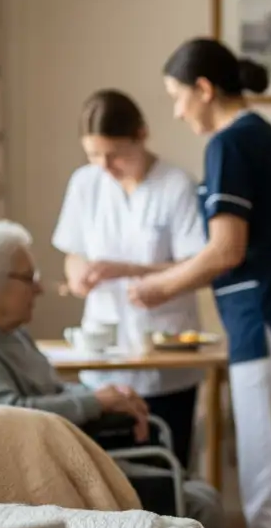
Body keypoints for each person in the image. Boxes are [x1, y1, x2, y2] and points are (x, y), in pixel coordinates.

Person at [128, 38, 271, 528]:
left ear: (204, 89)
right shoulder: (264, 136)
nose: (176, 110)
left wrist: (158, 286)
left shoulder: (230, 144)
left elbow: (227, 249)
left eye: (177, 96)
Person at [0, 219, 225, 528]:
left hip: (65, 463)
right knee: (200, 504)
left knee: (197, 491)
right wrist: (94, 403)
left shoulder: (10, 335)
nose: (38, 288)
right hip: (35, 484)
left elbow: (52, 391)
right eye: (27, 278)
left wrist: (109, 397)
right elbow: (2, 420)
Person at [52, 89, 208, 467]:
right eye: (93, 154)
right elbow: (72, 251)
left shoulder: (176, 185)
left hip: (164, 364)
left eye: (115, 153)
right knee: (105, 474)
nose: (104, 165)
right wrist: (79, 275)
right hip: (102, 361)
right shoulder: (85, 183)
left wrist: (126, 270)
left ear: (141, 135)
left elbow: (195, 264)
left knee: (165, 470)